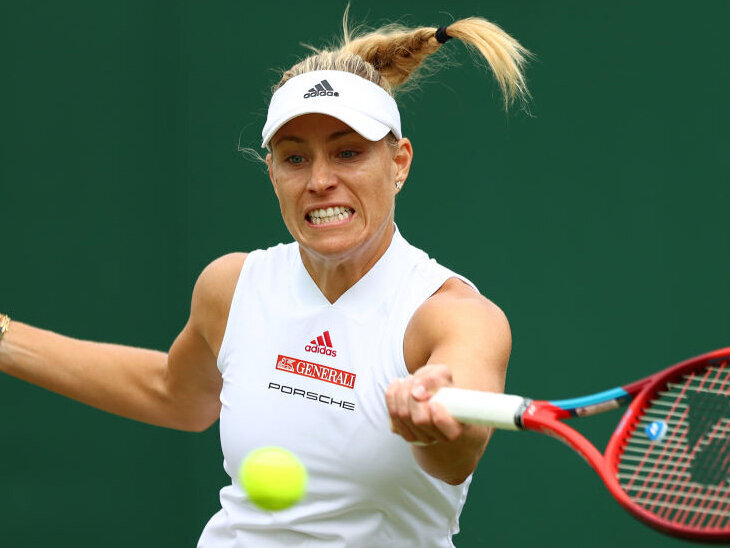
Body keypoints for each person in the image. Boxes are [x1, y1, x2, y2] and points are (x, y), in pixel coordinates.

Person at [0, 13, 530, 547]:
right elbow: (174, 393)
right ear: (272, 172)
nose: (320, 180)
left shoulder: (455, 317)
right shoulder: (231, 287)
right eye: (295, 157)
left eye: (347, 152)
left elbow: (457, 458)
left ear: (399, 163)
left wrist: (435, 423)